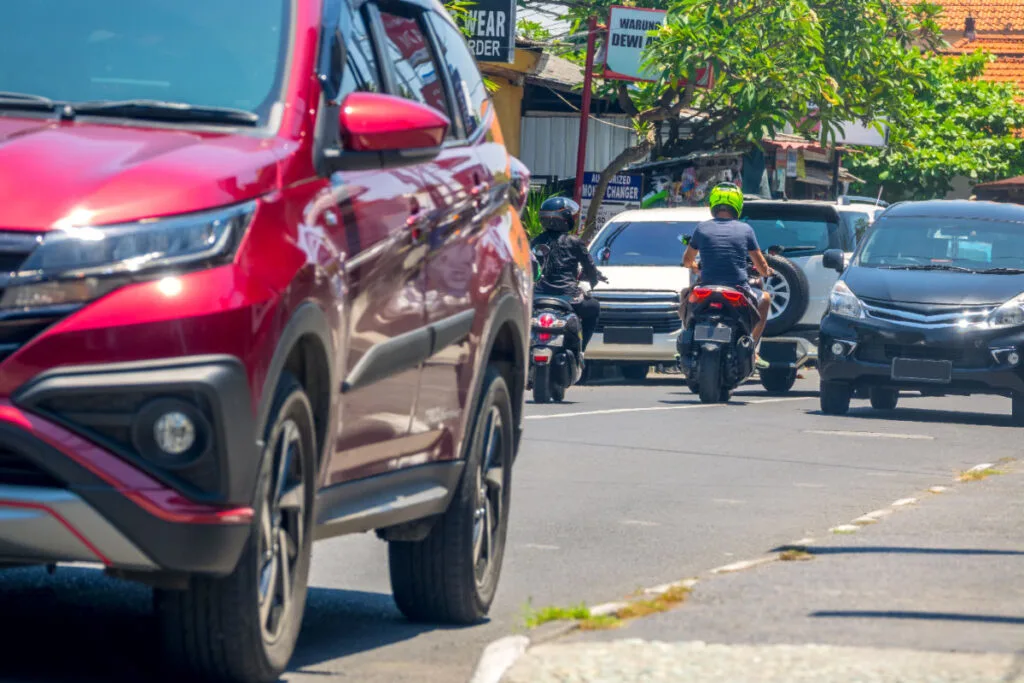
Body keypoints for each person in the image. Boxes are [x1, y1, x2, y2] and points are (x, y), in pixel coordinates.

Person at [681, 182, 774, 357]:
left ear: (713, 204)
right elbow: (761, 264)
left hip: (706, 286)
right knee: (766, 299)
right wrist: (766, 272)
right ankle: (752, 349)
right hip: (738, 288)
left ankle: (687, 336)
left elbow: (687, 260)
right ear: (737, 205)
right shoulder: (746, 230)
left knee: (684, 295)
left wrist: (695, 268)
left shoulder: (701, 228)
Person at [531, 196, 607, 354]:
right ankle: (581, 350)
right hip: (568, 298)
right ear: (566, 219)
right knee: (594, 307)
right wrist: (594, 279)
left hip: (537, 298)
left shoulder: (535, 242)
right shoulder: (574, 242)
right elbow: (589, 267)